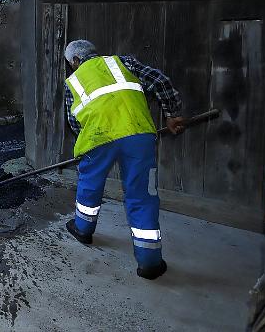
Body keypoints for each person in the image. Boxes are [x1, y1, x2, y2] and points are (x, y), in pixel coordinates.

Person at [62, 39, 185, 280]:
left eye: (70, 63)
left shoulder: (73, 81)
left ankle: (83, 229)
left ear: (75, 61)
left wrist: (90, 141)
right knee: (142, 195)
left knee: (90, 184)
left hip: (98, 138)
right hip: (138, 134)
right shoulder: (123, 62)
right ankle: (150, 262)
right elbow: (160, 81)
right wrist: (172, 115)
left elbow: (74, 120)